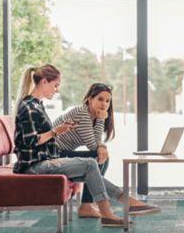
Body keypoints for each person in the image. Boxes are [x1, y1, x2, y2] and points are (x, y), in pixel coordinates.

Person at [12, 64, 124, 227]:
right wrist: (56, 131)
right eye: (55, 85)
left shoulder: (37, 105)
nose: (56, 90)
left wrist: (53, 153)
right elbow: (30, 141)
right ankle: (113, 207)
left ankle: (117, 203)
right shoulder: (29, 107)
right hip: (33, 165)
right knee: (91, 162)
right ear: (44, 81)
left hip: (45, 159)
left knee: (92, 165)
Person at [52, 83, 159, 218]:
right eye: (100, 99)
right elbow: (93, 146)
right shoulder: (82, 113)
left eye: (108, 101)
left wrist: (101, 144)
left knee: (101, 157)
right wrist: (102, 122)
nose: (104, 104)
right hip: (53, 154)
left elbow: (96, 144)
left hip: (62, 152)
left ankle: (87, 205)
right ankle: (91, 204)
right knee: (99, 157)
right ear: (90, 99)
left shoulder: (92, 116)